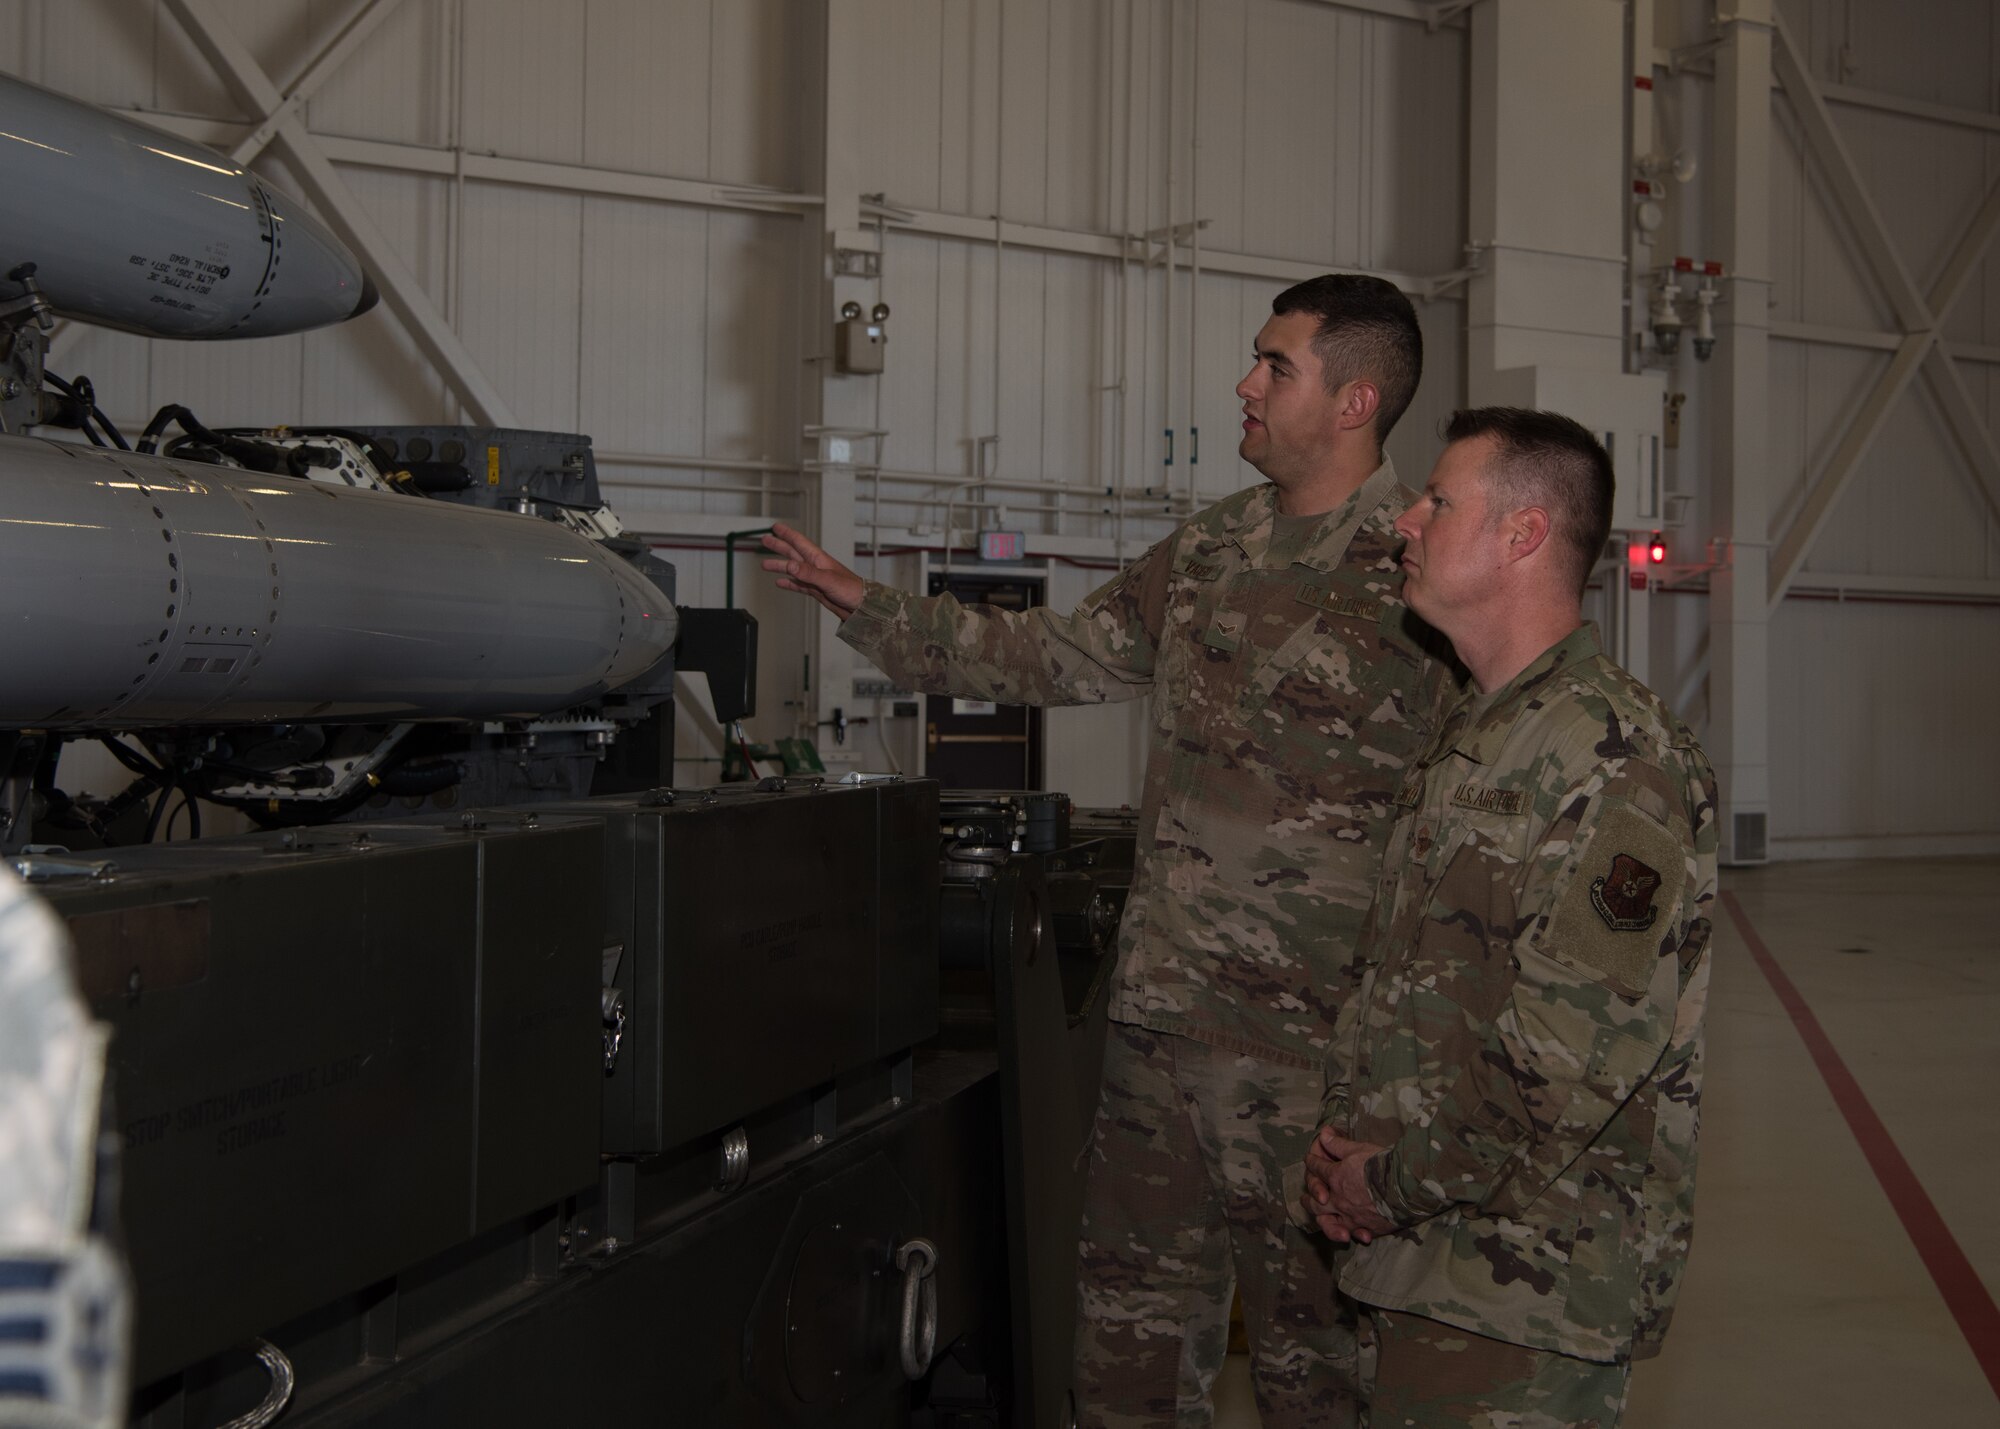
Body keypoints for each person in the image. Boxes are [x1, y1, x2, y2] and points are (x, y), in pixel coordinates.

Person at [764, 273, 1452, 1427]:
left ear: (1353, 400)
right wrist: (861, 602)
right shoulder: (1212, 550)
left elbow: (1471, 838)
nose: (1243, 383)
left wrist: (1411, 1078)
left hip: (1317, 1059)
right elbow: (1058, 656)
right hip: (1158, 1031)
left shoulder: (1418, 573)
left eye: (1274, 365)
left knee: (1320, 1373)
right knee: (1126, 1353)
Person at [1297, 407, 1717, 1428]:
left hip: (1520, 1291)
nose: (1405, 516)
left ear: (1522, 534)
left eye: (1438, 500)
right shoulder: (1482, 726)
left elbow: (1561, 1065)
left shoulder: (1614, 760)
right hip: (1420, 1259)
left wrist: (1383, 1183)